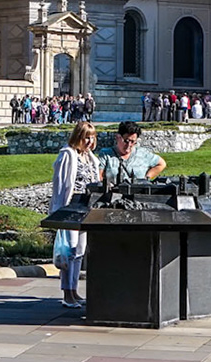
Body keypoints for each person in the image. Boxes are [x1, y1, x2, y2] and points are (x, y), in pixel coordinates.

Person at [48, 120, 101, 309]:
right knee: (68, 251)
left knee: (79, 251)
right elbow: (61, 186)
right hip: (70, 208)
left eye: (92, 137)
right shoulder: (68, 155)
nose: (89, 141)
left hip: (85, 208)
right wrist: (60, 212)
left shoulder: (90, 157)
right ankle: (67, 293)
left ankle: (74, 290)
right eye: (86, 137)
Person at [100, 119, 166, 188]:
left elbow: (161, 164)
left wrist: (146, 178)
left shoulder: (143, 153)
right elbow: (99, 177)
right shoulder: (105, 154)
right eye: (126, 141)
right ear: (118, 137)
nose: (129, 145)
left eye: (133, 142)